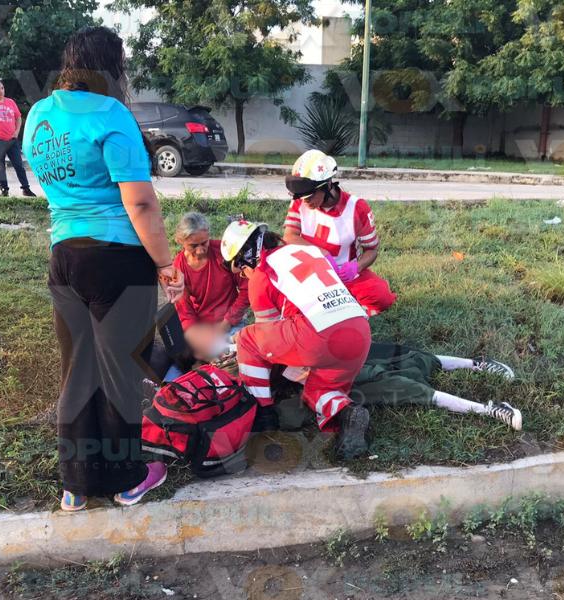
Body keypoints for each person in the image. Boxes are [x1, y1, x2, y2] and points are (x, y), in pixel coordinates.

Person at [23, 26, 183, 511]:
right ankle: (128, 479)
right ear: (110, 67)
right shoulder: (112, 114)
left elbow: (51, 180)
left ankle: (76, 484)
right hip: (117, 259)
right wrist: (166, 264)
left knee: (78, 370)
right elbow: (141, 203)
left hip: (65, 256)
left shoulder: (39, 114)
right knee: (119, 372)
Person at [224, 220, 373, 460]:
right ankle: (349, 413)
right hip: (358, 330)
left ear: (247, 258)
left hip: (318, 335)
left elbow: (265, 337)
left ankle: (262, 417)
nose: (244, 275)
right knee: (317, 389)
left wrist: (253, 367)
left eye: (241, 269)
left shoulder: (261, 274)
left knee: (247, 338)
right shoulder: (310, 250)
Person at [277, 342, 523, 431]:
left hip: (337, 359)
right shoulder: (291, 388)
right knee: (407, 388)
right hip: (341, 383)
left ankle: (475, 363)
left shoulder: (276, 339)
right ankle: (488, 410)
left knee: (410, 357)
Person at [283, 149, 396, 316]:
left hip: (346, 275)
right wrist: (321, 252)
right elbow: (289, 236)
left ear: (327, 185)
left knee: (382, 296)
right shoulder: (301, 202)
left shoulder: (357, 208)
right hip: (312, 273)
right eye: (302, 198)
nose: (305, 202)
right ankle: (341, 306)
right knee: (293, 311)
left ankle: (338, 306)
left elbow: (372, 250)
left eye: (309, 197)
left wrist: (356, 267)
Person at [173, 212, 249, 363]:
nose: (200, 250)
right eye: (193, 246)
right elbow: (185, 311)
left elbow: (246, 291)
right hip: (202, 327)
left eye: (204, 243)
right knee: (184, 354)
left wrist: (225, 325)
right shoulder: (178, 267)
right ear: (181, 241)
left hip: (231, 323)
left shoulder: (224, 253)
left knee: (239, 354)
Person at [0, 77, 36, 197]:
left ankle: (26, 189)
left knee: (19, 165)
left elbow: (18, 117)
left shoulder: (10, 102)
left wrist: (16, 132)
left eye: (2, 88)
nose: (0, 91)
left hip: (12, 139)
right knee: (0, 166)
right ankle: (4, 190)